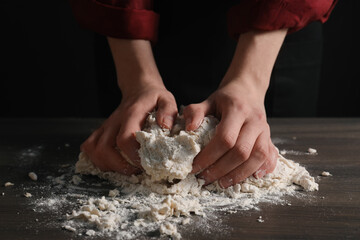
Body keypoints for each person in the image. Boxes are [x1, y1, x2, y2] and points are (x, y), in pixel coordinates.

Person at [69, 0, 337, 188]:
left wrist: (250, 81)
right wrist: (138, 81)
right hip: (131, 31)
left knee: (253, 153)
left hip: (277, 25)